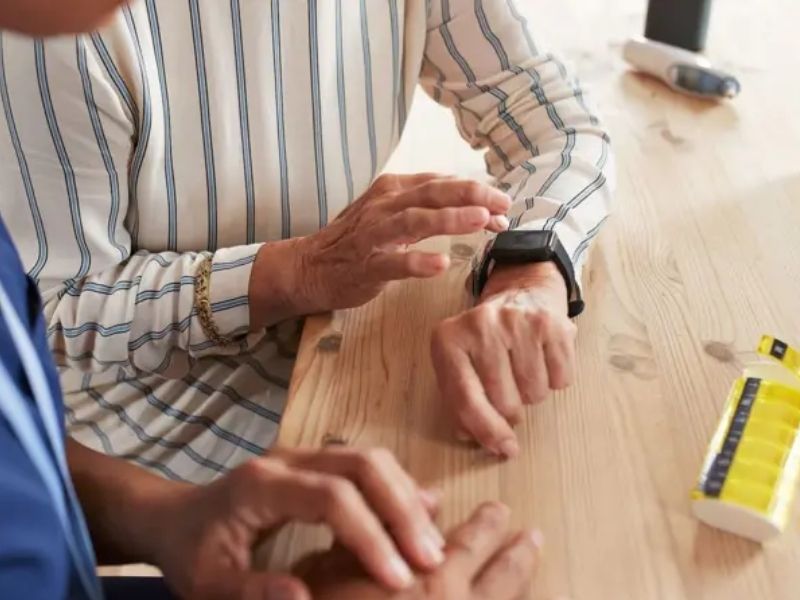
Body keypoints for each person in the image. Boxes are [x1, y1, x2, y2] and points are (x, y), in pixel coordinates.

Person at [0, 0, 613, 481]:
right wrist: (294, 272)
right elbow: (49, 315)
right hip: (137, 412)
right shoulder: (54, 21)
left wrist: (528, 274)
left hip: (319, 340)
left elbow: (558, 124)